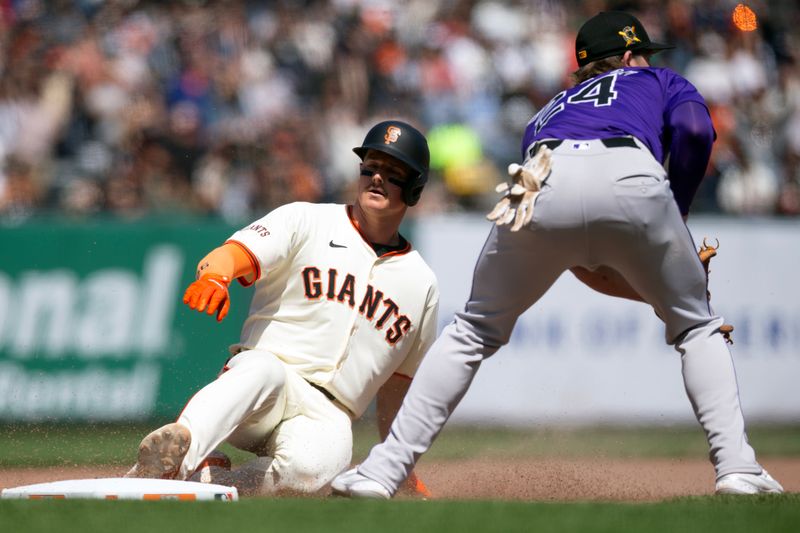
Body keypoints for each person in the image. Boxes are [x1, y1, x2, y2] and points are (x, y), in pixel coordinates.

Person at [331, 12, 783, 499]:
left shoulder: (547, 111)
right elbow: (695, 132)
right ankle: (737, 469)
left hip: (540, 176)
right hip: (630, 169)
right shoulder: (658, 79)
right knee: (696, 327)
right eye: (642, 55)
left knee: (472, 330)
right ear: (630, 57)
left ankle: (383, 473)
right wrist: (677, 216)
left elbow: (581, 252)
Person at [125, 120, 439, 496]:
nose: (376, 178)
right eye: (370, 167)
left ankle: (211, 482)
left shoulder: (422, 285)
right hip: (269, 381)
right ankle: (176, 459)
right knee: (262, 370)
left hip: (332, 414)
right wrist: (215, 276)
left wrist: (399, 463)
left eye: (393, 173)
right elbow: (235, 253)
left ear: (415, 188)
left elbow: (396, 389)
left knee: (309, 475)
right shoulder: (307, 219)